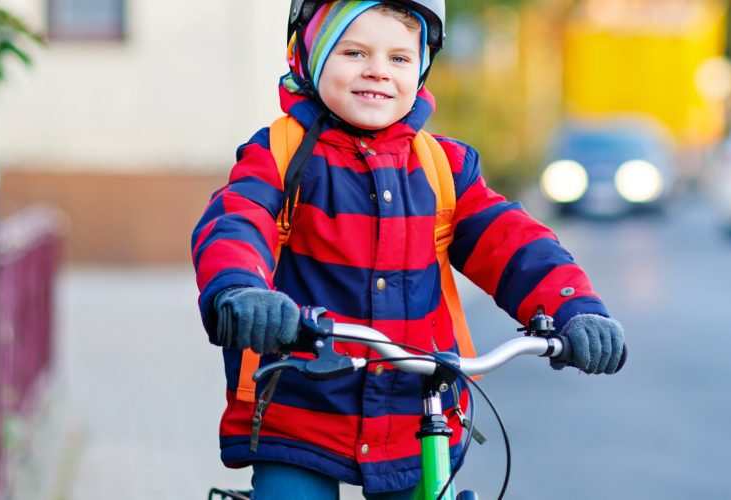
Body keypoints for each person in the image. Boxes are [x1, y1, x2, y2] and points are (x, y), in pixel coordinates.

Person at [189, 1, 626, 498]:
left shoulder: (443, 168)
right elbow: (237, 221)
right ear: (308, 55)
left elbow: (514, 243)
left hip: (412, 414)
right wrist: (242, 289)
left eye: (399, 58)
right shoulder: (282, 154)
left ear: (422, 69)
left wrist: (574, 305)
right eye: (354, 52)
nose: (377, 70)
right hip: (299, 407)